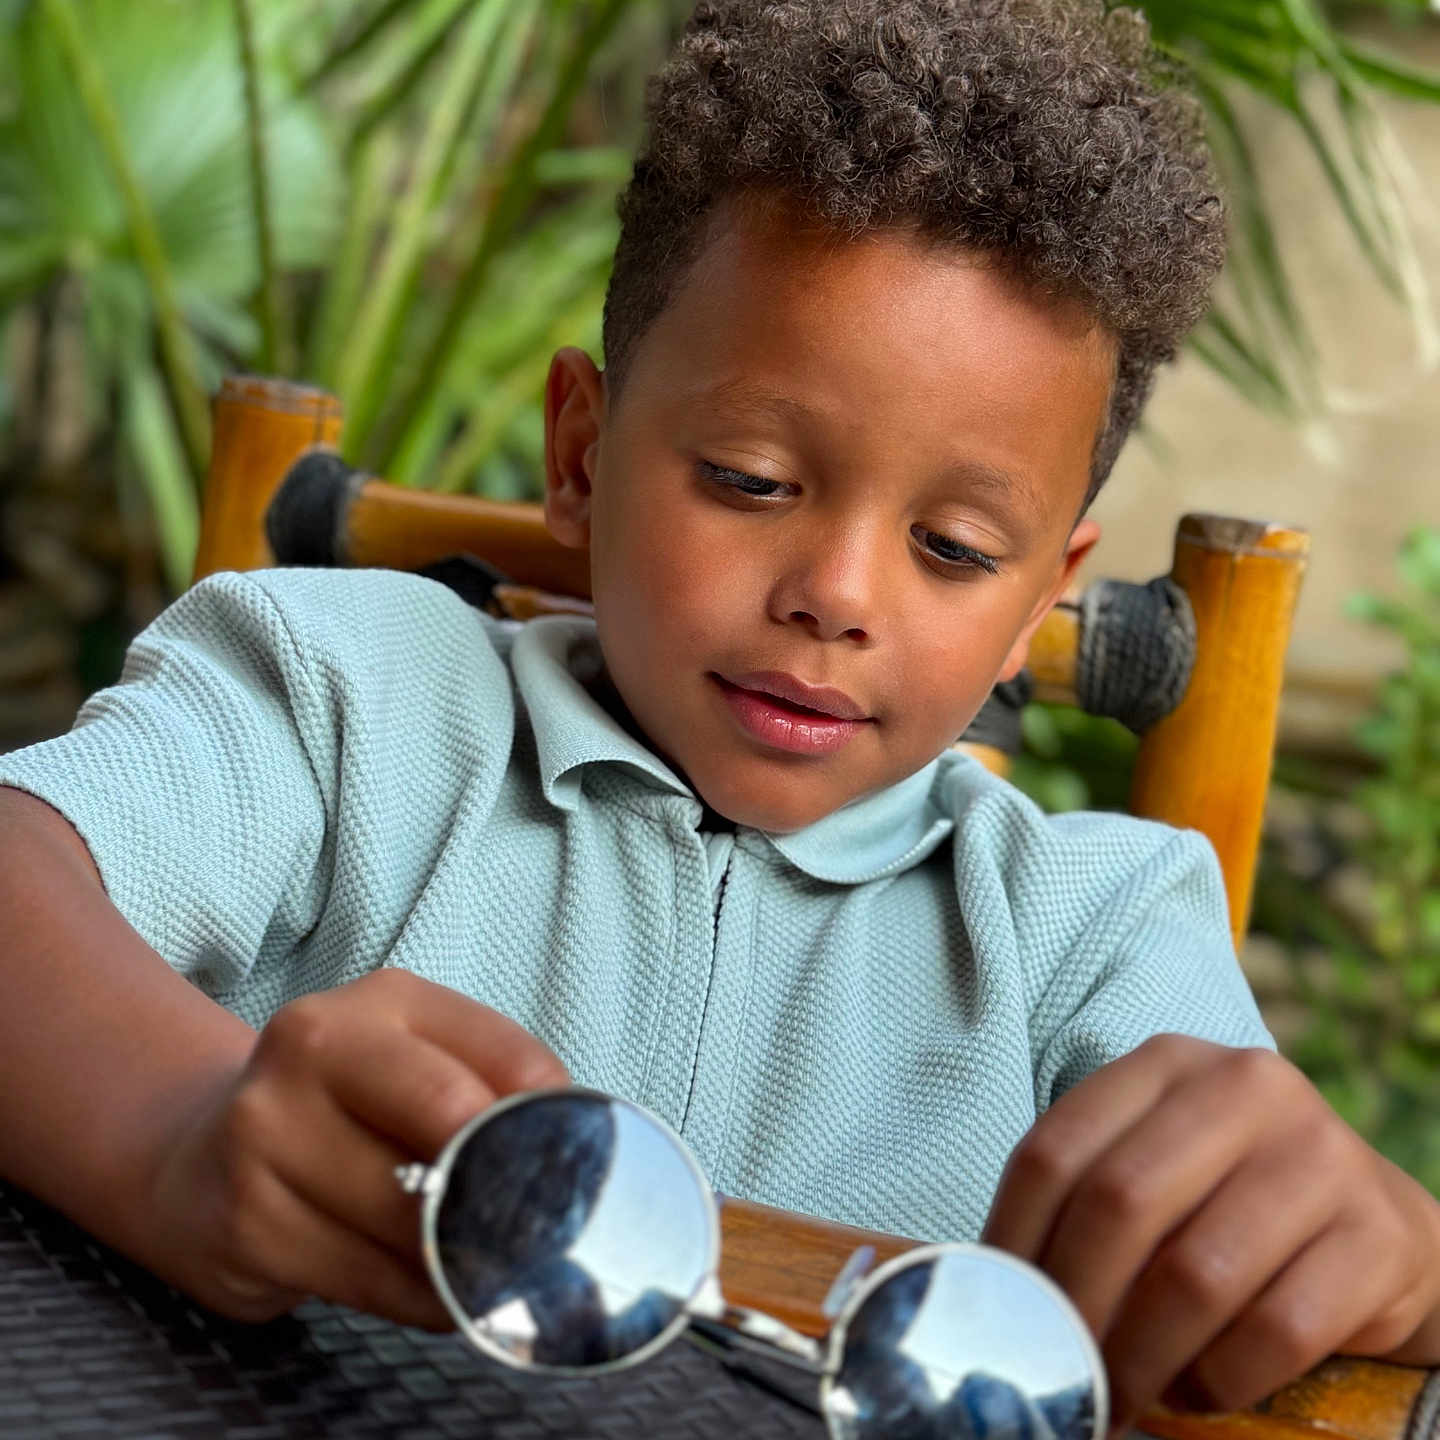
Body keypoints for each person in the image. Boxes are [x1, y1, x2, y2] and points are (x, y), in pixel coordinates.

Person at [1, 0, 1436, 1431]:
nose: (836, 593)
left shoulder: (1091, 936)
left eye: (955, 550)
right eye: (751, 478)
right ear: (582, 451)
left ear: (1035, 602)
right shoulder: (339, 701)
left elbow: (1299, 1267)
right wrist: (182, 1132)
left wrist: (1398, 1266)